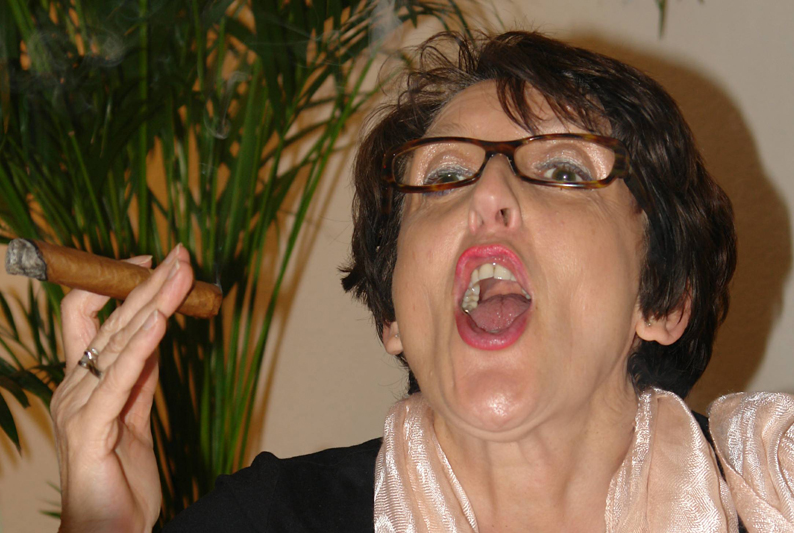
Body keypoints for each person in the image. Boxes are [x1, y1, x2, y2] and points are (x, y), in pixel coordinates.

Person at [50, 31, 794, 533]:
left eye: (564, 170)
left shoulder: (775, 483)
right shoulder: (272, 517)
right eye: (443, 177)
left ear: (663, 298)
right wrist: (98, 521)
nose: (487, 194)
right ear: (393, 317)